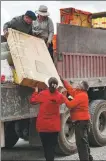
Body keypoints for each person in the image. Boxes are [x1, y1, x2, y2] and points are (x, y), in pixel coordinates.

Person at [30, 77, 65, 161]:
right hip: (54, 127)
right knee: (51, 147)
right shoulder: (59, 96)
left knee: (46, 147)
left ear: (48, 84)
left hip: (43, 127)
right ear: (57, 86)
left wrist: (35, 91)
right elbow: (63, 99)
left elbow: (32, 101)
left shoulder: (42, 94)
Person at [60, 78, 93, 161]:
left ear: (82, 87)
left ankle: (85, 159)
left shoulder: (82, 96)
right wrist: (63, 81)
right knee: (84, 141)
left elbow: (70, 105)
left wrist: (64, 97)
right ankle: (89, 158)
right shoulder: (78, 92)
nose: (77, 84)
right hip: (82, 121)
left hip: (81, 122)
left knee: (81, 143)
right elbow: (71, 90)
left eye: (79, 84)